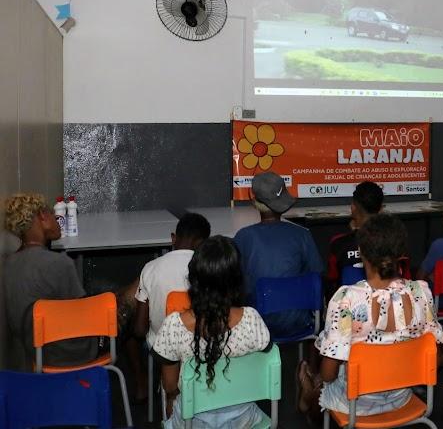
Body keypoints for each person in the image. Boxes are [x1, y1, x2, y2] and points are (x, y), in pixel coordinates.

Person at [297, 214, 443, 425]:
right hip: (400, 398)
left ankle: (307, 394)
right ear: (401, 253)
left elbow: (329, 374)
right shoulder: (421, 293)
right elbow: (436, 354)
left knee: (322, 379)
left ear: (361, 252)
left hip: (356, 404)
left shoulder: (347, 299)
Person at [155, 235, 271, 427]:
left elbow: (169, 386)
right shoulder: (251, 319)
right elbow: (264, 360)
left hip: (194, 422)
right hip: (243, 420)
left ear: (193, 279)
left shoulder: (174, 326)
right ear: (236, 281)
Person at [3, 193, 99, 369]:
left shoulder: (9, 263)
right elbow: (83, 318)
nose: (57, 219)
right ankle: (139, 384)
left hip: (37, 353)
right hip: (75, 353)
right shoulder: (59, 263)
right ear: (42, 216)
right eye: (52, 214)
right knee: (131, 300)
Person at [233, 172, 323, 337]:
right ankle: (307, 362)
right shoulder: (302, 235)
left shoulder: (243, 237)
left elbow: (234, 282)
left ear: (254, 201)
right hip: (299, 321)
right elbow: (316, 275)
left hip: (256, 324)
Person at [134, 212, 211, 348]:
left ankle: (140, 370)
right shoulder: (209, 269)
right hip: (201, 344)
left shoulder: (150, 268)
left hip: (161, 346)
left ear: (173, 238)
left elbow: (140, 330)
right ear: (204, 244)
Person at [326, 181, 383, 292]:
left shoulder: (338, 243)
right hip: (387, 305)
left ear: (353, 208)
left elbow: (331, 280)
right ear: (381, 210)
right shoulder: (394, 242)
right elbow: (404, 278)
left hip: (348, 306)